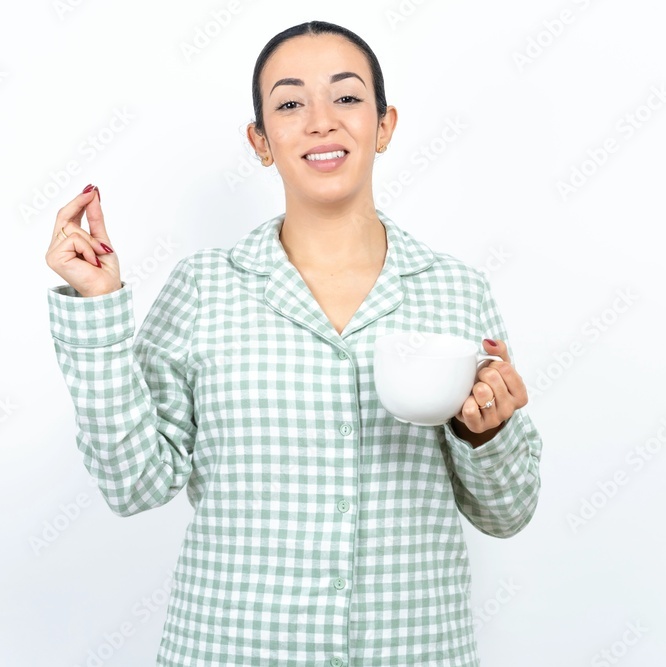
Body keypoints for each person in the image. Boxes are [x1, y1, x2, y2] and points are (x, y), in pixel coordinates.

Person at [44, 19, 542, 667]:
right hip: (231, 649)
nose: (320, 121)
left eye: (346, 97)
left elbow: (509, 512)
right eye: (288, 103)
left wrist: (488, 434)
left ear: (385, 124)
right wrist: (99, 307)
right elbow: (133, 482)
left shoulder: (455, 291)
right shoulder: (203, 288)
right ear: (261, 140)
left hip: (415, 649)